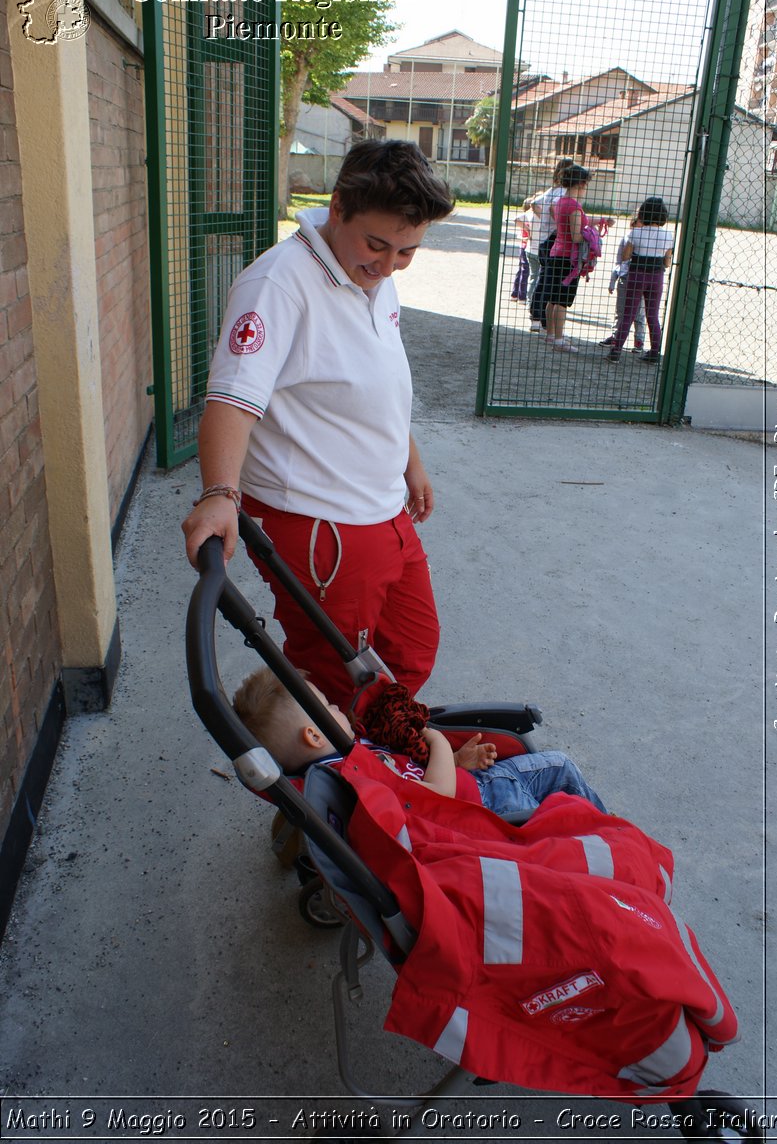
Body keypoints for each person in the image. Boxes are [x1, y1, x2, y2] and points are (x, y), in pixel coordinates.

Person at [182, 141, 454, 710]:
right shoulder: (279, 285)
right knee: (336, 677)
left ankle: (373, 764)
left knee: (409, 649)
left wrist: (411, 462)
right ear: (337, 207)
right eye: (377, 244)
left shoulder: (371, 275)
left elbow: (372, 380)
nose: (386, 265)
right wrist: (219, 494)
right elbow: (232, 400)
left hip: (381, 508)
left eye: (407, 252)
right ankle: (328, 786)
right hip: (320, 518)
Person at [233, 667, 608, 817]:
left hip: (471, 785)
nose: (337, 706)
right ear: (313, 735)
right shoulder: (357, 776)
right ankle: (606, 833)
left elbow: (409, 782)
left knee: (554, 771)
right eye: (328, 705)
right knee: (559, 768)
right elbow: (435, 797)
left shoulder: (337, 767)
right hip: (489, 805)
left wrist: (457, 763)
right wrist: (437, 740)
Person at [542, 163, 614, 353]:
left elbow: (579, 220)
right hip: (569, 258)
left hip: (556, 253)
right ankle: (559, 339)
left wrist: (599, 221)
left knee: (552, 298)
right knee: (563, 300)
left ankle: (550, 335)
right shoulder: (574, 206)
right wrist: (592, 235)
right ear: (580, 184)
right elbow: (576, 235)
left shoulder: (561, 202)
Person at [606, 196, 674, 364]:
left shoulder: (635, 233)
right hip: (656, 277)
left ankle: (616, 351)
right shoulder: (668, 236)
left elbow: (626, 256)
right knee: (652, 315)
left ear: (643, 213)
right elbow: (667, 261)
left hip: (636, 275)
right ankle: (655, 352)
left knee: (628, 314)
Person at [527, 157, 575, 331]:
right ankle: (544, 321)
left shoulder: (551, 191)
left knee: (543, 279)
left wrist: (544, 221)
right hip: (555, 240)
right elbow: (554, 209)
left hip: (545, 239)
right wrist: (561, 225)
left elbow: (534, 204)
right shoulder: (563, 193)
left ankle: (536, 317)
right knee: (551, 282)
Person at [598, 212, 648, 353]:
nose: (641, 226)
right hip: (625, 277)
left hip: (641, 278)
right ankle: (616, 337)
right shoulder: (626, 238)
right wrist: (613, 279)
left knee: (639, 313)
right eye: (638, 222)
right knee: (620, 311)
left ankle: (639, 341)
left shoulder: (648, 239)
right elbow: (619, 261)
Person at [510, 196, 533, 301]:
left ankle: (515, 293)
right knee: (525, 271)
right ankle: (522, 295)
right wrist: (527, 230)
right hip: (526, 246)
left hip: (523, 246)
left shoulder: (527, 219)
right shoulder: (528, 219)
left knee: (521, 270)